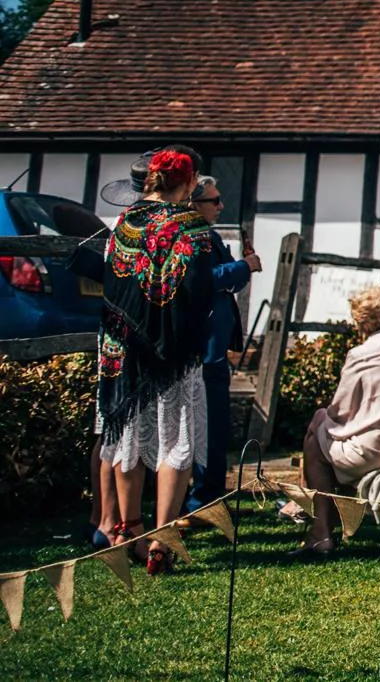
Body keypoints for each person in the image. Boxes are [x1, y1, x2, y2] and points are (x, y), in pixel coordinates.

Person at [97, 146, 218, 573]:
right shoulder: (190, 225)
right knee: (176, 441)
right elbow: (199, 289)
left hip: (124, 347)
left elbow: (110, 280)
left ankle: (128, 529)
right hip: (174, 352)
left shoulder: (124, 223)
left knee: (128, 436)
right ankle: (161, 542)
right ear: (188, 181)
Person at [293, 283, 380, 558]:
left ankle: (321, 531)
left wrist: (324, 418)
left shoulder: (361, 355)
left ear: (360, 321)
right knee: (327, 431)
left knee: (317, 432)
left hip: (374, 451)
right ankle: (334, 519)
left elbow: (340, 411)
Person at [186, 175, 260, 513]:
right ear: (194, 204)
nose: (221, 206)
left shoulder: (208, 235)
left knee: (214, 421)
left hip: (215, 345)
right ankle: (204, 496)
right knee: (206, 421)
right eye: (214, 201)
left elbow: (224, 281)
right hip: (205, 345)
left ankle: (211, 492)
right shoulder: (192, 236)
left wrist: (242, 268)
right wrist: (242, 266)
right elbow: (203, 280)